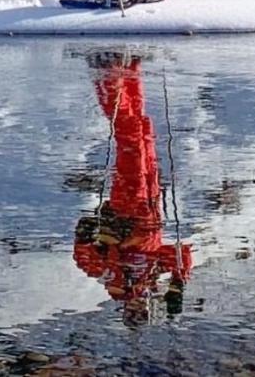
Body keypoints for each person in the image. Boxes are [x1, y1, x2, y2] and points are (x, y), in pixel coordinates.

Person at [73, 51, 192, 325]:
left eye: (134, 312)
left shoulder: (116, 282)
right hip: (151, 205)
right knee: (142, 129)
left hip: (127, 208)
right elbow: (178, 253)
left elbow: (85, 259)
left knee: (130, 137)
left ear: (125, 310)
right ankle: (130, 69)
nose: (139, 305)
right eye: (143, 311)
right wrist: (178, 282)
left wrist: (84, 235)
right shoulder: (151, 275)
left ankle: (107, 77)